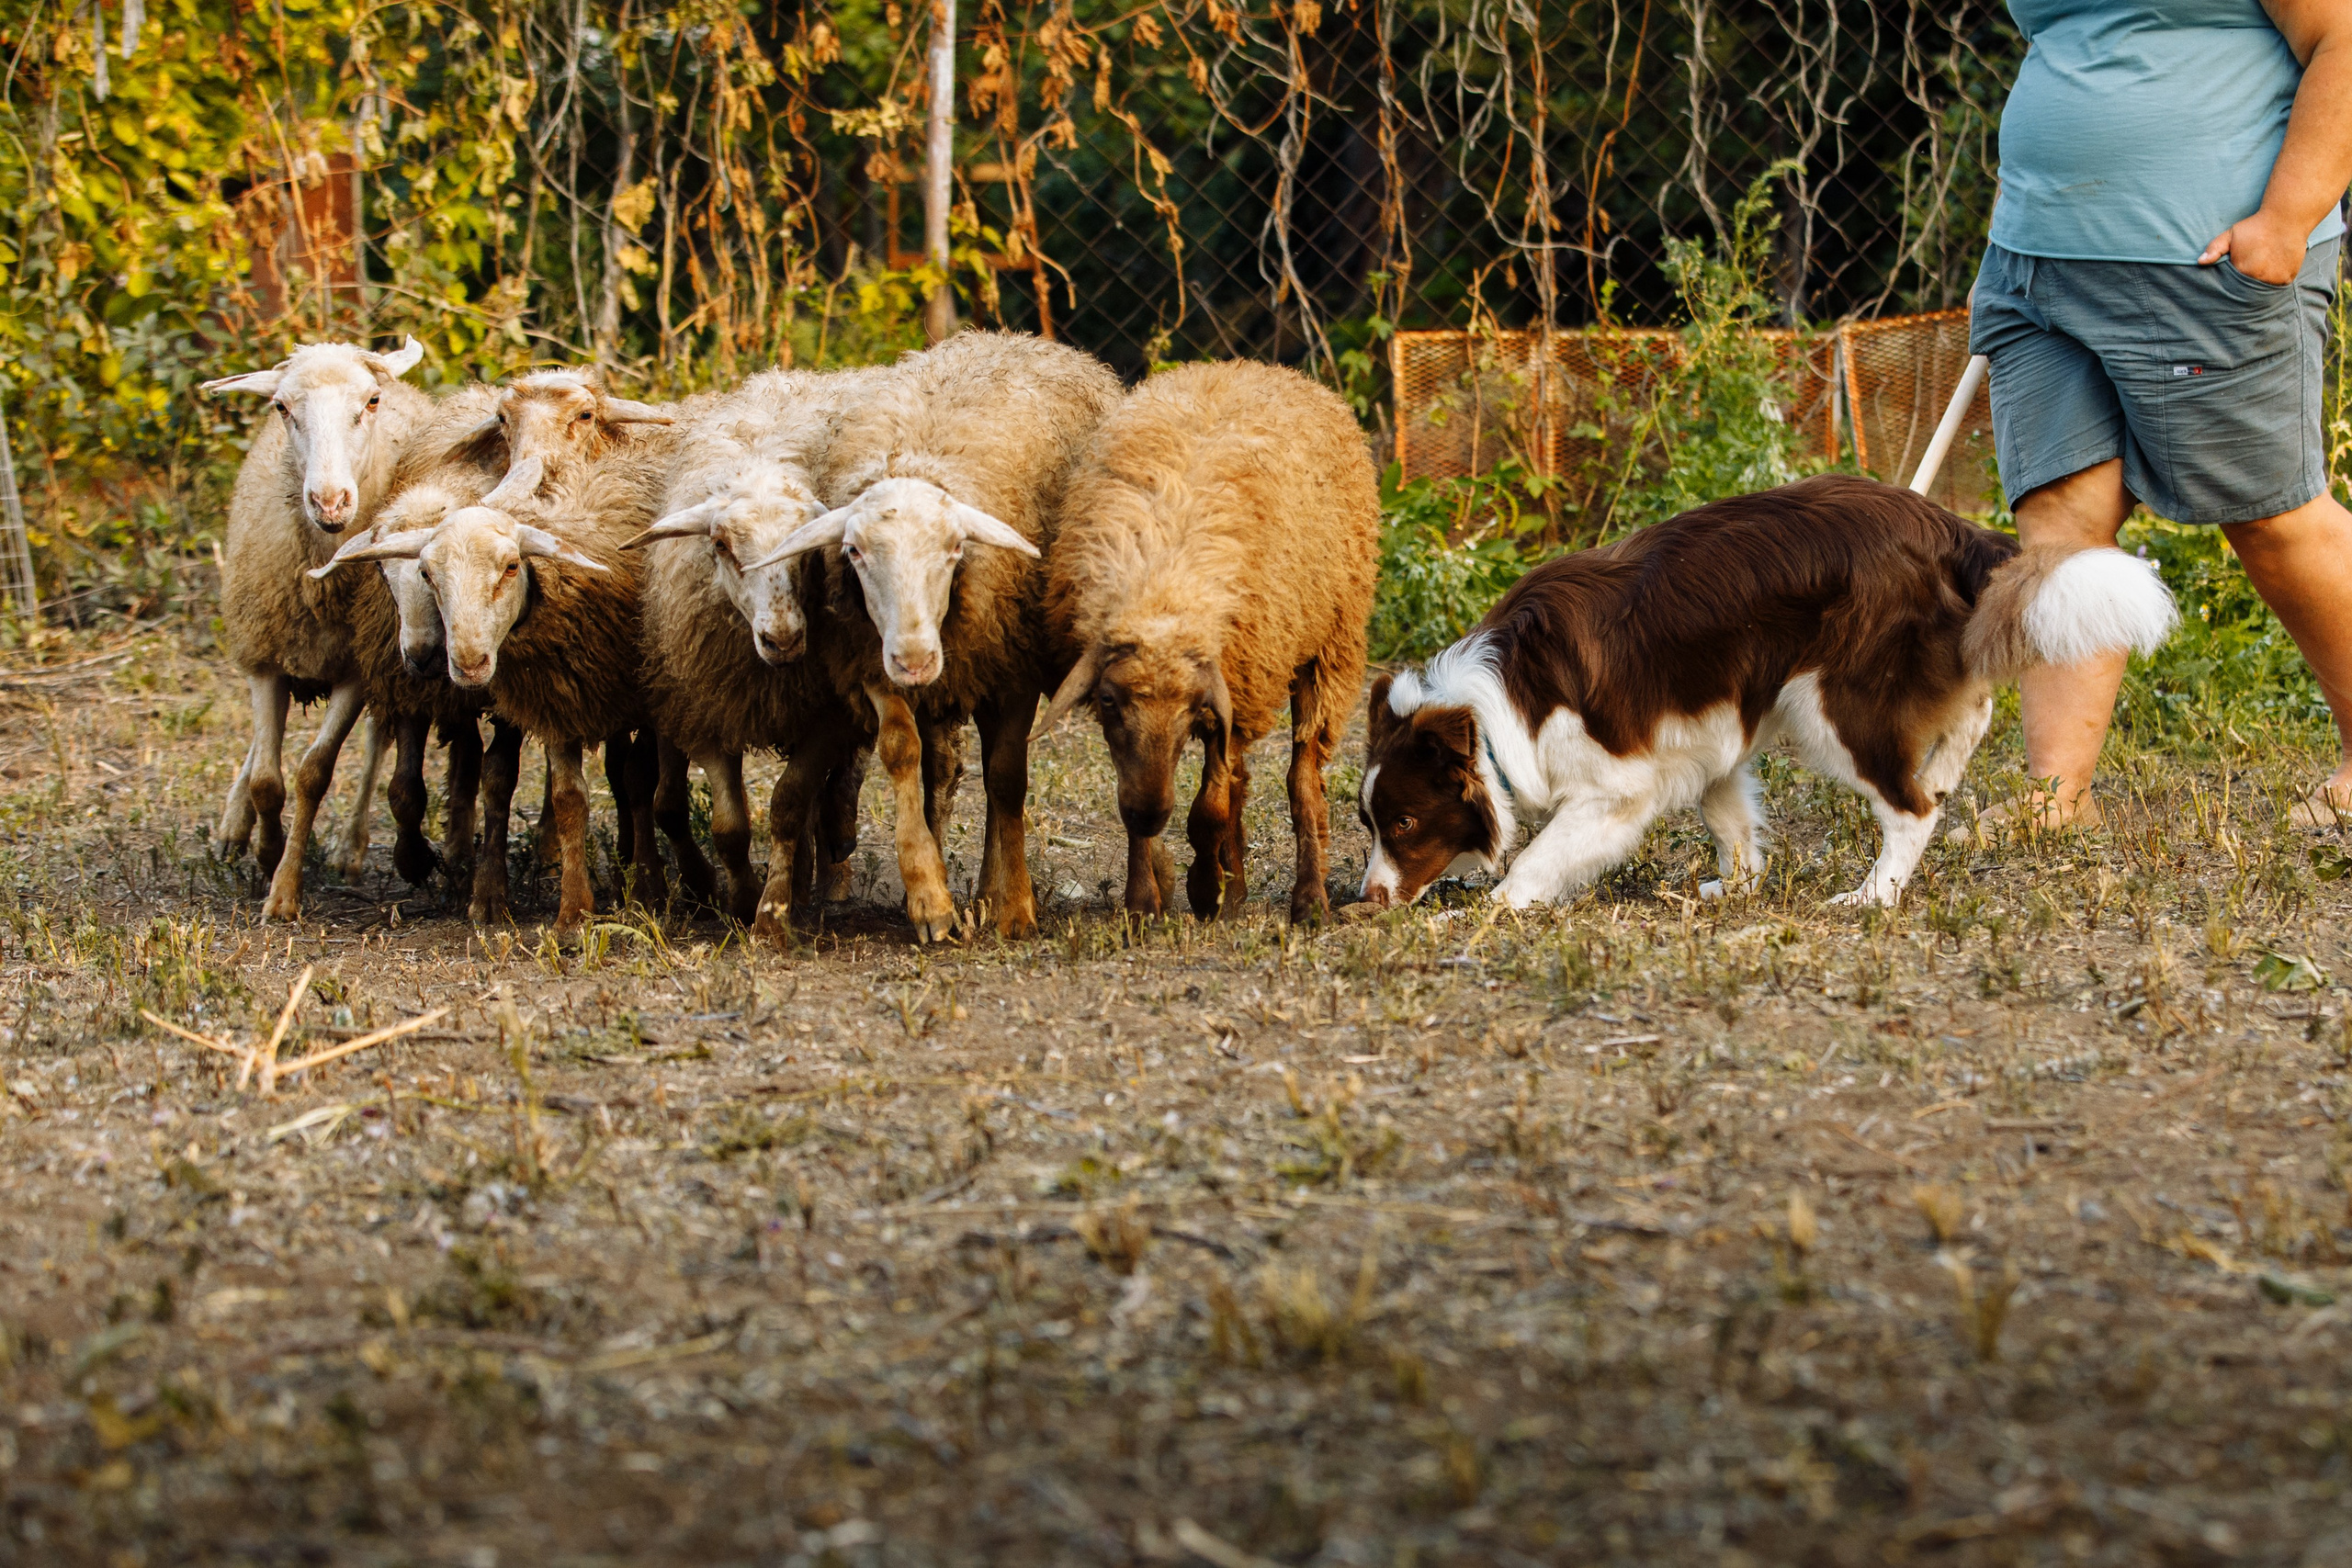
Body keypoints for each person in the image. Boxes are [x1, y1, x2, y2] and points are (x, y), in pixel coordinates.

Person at [1965, 0, 2352, 836]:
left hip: (2206, 259)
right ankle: (2057, 796)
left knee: (2275, 518)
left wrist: (2284, 225)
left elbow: (2344, 38)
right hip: (2038, 258)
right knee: (2060, 517)